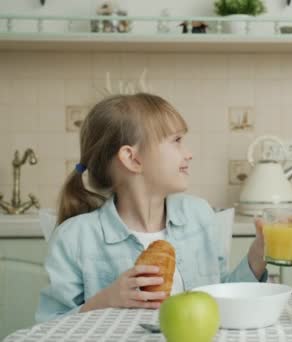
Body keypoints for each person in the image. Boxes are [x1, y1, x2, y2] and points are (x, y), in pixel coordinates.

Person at [36, 93, 268, 322]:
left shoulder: (199, 215)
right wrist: (105, 300)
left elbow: (221, 299)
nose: (189, 154)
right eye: (176, 141)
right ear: (132, 158)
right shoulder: (75, 237)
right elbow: (48, 327)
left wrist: (257, 256)